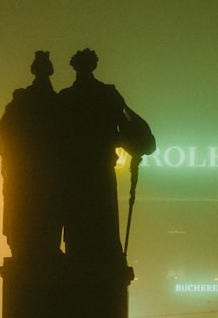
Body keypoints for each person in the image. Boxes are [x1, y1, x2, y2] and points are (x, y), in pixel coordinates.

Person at [56, 48, 155, 266]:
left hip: (75, 174)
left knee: (77, 226)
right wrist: (133, 145)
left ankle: (79, 259)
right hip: (99, 171)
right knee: (103, 224)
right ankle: (104, 257)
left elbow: (54, 138)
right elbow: (126, 129)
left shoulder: (66, 98)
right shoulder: (107, 94)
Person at [0, 51, 63, 262]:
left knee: (25, 213)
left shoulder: (21, 101)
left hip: (24, 170)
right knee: (48, 213)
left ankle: (26, 250)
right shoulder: (57, 103)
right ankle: (46, 250)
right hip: (47, 171)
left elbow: (2, 130)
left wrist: (11, 155)